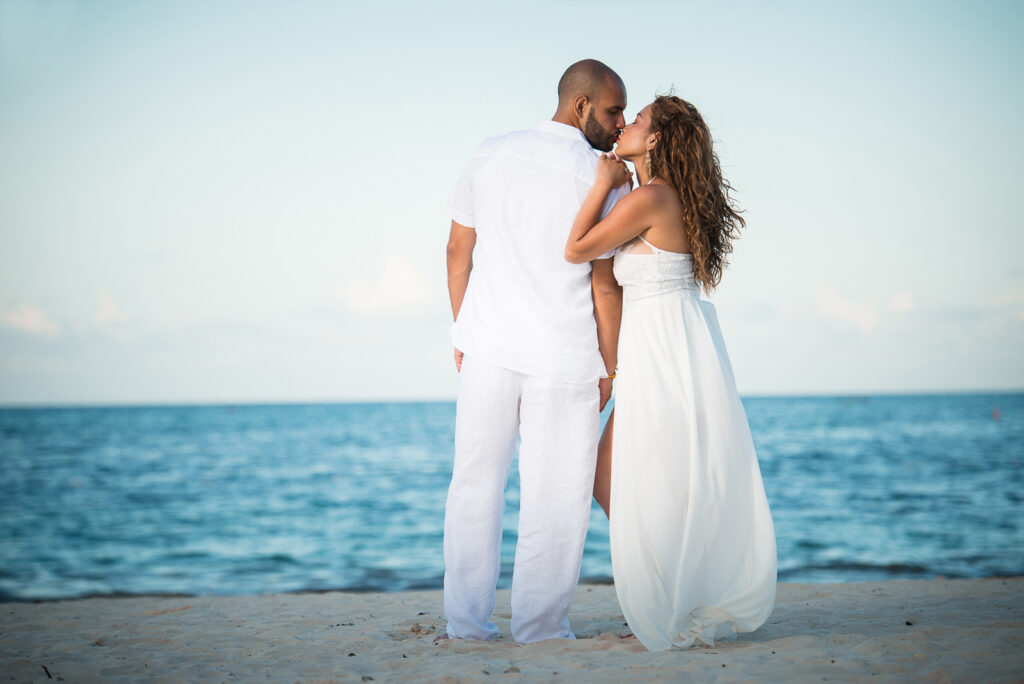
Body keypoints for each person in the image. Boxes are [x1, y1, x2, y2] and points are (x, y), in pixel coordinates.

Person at [565, 95, 777, 651]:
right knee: (638, 476)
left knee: (625, 473)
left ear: (655, 140)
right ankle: (666, 587)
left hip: (664, 349)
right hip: (667, 344)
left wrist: (597, 185)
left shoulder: (652, 197)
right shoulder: (653, 195)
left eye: (637, 120)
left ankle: (665, 597)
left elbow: (577, 249)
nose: (626, 124)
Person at [442, 59, 631, 644]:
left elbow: (456, 249)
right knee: (555, 497)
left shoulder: (490, 153)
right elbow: (604, 282)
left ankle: (466, 626)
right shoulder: (605, 178)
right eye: (613, 110)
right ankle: (541, 630)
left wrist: (463, 329)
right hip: (565, 355)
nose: (620, 123)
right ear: (581, 106)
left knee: (475, 486)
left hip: (489, 347)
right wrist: (611, 365)